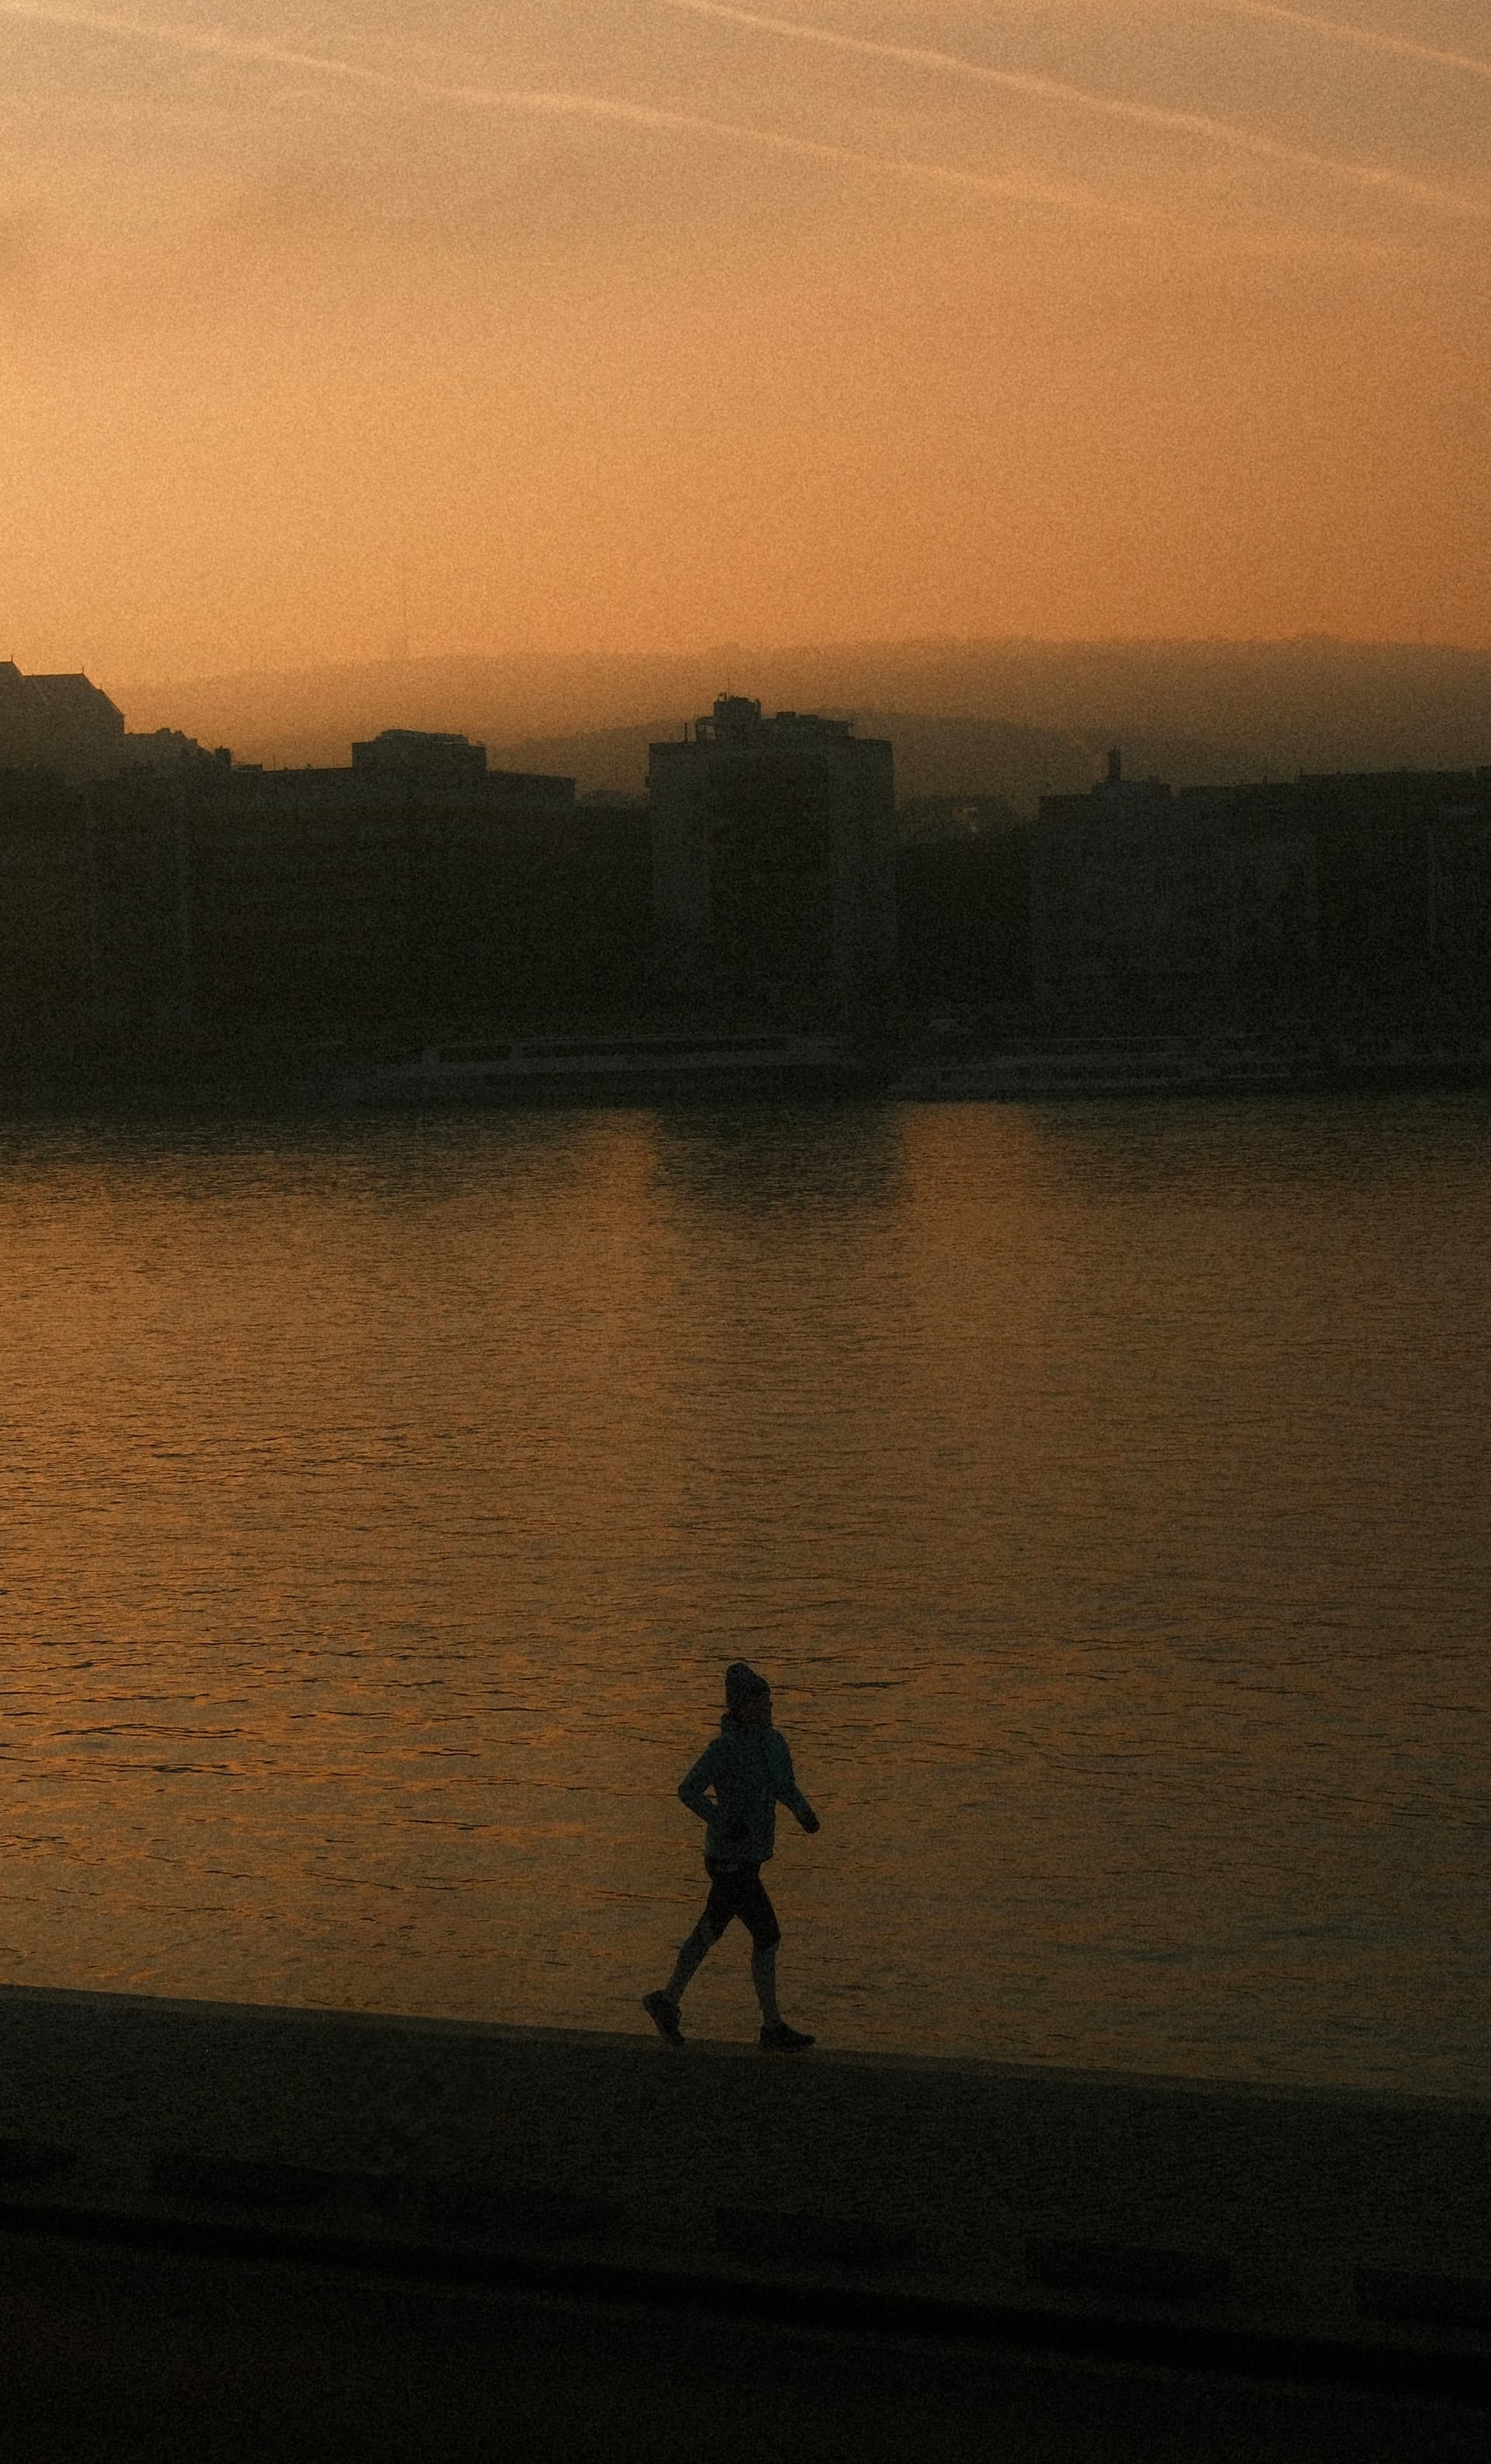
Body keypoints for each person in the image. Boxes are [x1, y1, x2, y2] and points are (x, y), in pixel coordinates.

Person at [644, 1661, 820, 2052]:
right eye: (762, 1702)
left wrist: (804, 1813)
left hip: (751, 1858)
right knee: (767, 1934)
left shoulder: (776, 1745)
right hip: (727, 1860)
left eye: (770, 1701)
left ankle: (667, 2001)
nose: (770, 1707)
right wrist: (722, 1820)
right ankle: (771, 2026)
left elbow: (786, 1787)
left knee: (710, 1929)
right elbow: (688, 1790)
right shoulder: (723, 1749)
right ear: (741, 1707)